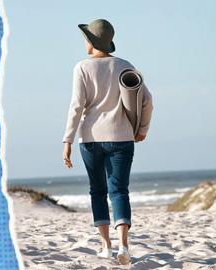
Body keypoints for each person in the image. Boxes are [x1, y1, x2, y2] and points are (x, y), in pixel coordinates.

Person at [62, 19, 153, 265]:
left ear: (91, 42)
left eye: (85, 38)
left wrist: (67, 139)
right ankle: (124, 245)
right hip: (122, 137)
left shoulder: (81, 67)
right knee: (119, 191)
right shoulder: (125, 65)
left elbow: (76, 106)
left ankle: (106, 246)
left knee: (98, 191)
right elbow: (146, 101)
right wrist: (142, 129)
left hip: (90, 139)